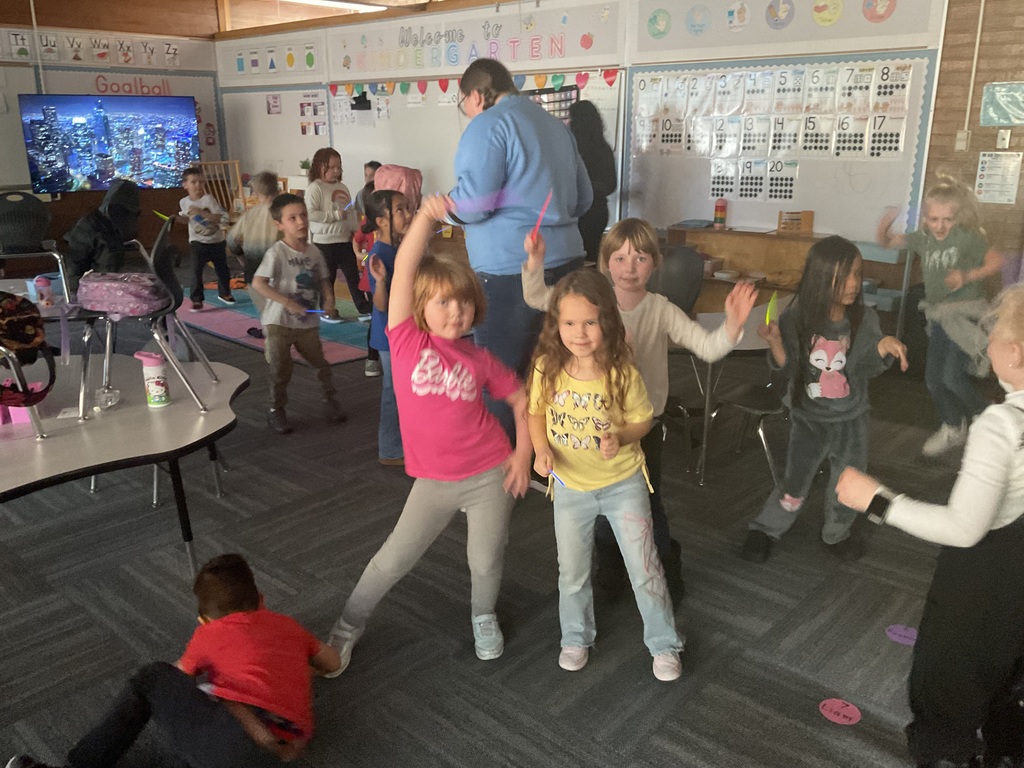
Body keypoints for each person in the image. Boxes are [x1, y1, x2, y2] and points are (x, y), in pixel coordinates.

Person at [326, 195, 531, 675]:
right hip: (434, 482)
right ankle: (347, 627)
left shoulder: (478, 358)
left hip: (490, 473)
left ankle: (483, 616)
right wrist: (424, 217)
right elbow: (404, 271)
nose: (456, 311)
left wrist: (523, 454)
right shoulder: (405, 341)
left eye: (464, 301)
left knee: (486, 561)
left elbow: (522, 400)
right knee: (393, 559)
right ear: (420, 306)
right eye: (443, 302)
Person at [836, 284, 1024, 768]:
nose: (986, 340)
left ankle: (949, 752)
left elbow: (964, 528)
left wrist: (877, 500)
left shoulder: (1001, 426)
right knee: (1007, 661)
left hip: (984, 577)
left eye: (994, 332)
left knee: (950, 671)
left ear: (1015, 352)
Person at [522, 219, 757, 601]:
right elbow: (538, 298)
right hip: (591, 427)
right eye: (619, 258)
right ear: (605, 262)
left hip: (644, 425)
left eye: (640, 258)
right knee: (597, 506)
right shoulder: (590, 304)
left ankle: (664, 568)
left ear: (655, 264)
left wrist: (732, 325)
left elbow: (708, 347)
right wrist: (534, 262)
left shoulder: (660, 309)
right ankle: (611, 570)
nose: (629, 268)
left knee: (646, 505)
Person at [5, 553, 341, 768]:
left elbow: (179, 677)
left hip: (233, 740)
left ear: (203, 620)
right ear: (262, 601)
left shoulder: (207, 635)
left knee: (152, 677)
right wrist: (297, 667)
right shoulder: (288, 625)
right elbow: (334, 662)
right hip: (285, 751)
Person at [527, 267, 684, 681]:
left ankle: (664, 643)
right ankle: (575, 637)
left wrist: (622, 436)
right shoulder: (546, 367)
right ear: (556, 324)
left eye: (590, 322)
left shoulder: (621, 370)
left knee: (645, 568)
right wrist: (541, 449)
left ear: (607, 321)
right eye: (569, 323)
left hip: (622, 485)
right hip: (570, 488)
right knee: (572, 573)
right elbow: (535, 412)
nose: (579, 333)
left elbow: (643, 420)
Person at [741, 236, 908, 563]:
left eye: (857, 274)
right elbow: (790, 368)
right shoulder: (796, 319)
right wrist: (775, 342)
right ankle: (765, 528)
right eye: (842, 277)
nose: (853, 284)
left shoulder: (865, 320)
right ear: (819, 278)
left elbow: (861, 369)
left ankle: (837, 532)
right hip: (809, 419)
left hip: (851, 421)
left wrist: (881, 347)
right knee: (795, 480)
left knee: (848, 481)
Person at [450, 58, 594, 437]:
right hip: (568, 263)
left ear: (476, 96)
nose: (466, 110)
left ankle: (505, 464)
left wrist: (444, 208)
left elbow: (473, 205)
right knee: (557, 371)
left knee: (502, 377)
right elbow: (584, 199)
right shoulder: (556, 126)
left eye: (463, 102)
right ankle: (548, 459)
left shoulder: (487, 125)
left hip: (508, 271)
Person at [878, 174, 1003, 457]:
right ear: (925, 218)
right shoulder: (923, 239)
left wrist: (967, 275)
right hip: (939, 318)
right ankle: (954, 426)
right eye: (933, 219)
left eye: (947, 219)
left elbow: (996, 260)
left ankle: (992, 420)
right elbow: (888, 242)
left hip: (963, 316)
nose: (940, 226)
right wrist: (885, 225)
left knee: (951, 377)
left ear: (957, 217)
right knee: (934, 379)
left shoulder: (966, 238)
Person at [251, 193, 347, 435]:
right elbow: (258, 283)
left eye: (303, 215)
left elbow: (323, 279)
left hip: (307, 324)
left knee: (321, 365)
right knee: (280, 370)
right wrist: (287, 302)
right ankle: (276, 409)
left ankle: (330, 401)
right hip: (279, 323)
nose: (301, 221)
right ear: (279, 225)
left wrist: (330, 299)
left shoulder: (314, 252)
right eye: (292, 218)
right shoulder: (277, 253)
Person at [305, 148, 381, 376]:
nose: (336, 171)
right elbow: (311, 214)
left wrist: (354, 231)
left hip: (344, 239)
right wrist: (333, 216)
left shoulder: (343, 188)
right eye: (332, 167)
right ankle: (328, 310)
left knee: (352, 275)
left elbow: (350, 213)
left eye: (339, 167)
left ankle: (362, 306)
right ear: (320, 167)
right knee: (326, 278)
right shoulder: (315, 188)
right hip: (324, 241)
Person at [363, 189, 413, 466]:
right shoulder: (379, 255)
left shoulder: (399, 249)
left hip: (407, 332)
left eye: (407, 208)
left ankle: (408, 443)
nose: (408, 214)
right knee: (393, 392)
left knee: (407, 390)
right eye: (400, 210)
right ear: (382, 221)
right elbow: (381, 305)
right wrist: (381, 281)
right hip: (389, 337)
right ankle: (391, 449)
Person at [63, 179, 140, 294]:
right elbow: (74, 270)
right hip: (87, 287)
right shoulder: (90, 226)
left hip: (103, 284)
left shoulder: (108, 223)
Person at [227, 171, 279, 340]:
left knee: (265, 308)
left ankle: (271, 335)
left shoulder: (251, 214)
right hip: (281, 267)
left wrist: (240, 257)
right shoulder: (286, 212)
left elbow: (232, 241)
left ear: (257, 193)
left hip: (255, 268)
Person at [568, 101, 616, 264]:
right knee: (591, 258)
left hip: (580, 213)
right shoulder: (604, 148)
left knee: (576, 262)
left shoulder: (573, 150)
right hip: (599, 212)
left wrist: (586, 188)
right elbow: (611, 185)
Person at [178, 167, 232, 312]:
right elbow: (186, 219)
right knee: (196, 270)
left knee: (222, 269)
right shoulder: (183, 202)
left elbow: (217, 218)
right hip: (197, 241)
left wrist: (201, 212)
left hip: (216, 241)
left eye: (201, 182)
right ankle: (196, 299)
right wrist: (177, 219)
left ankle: (225, 293)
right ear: (185, 185)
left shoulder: (209, 199)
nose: (198, 185)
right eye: (194, 182)